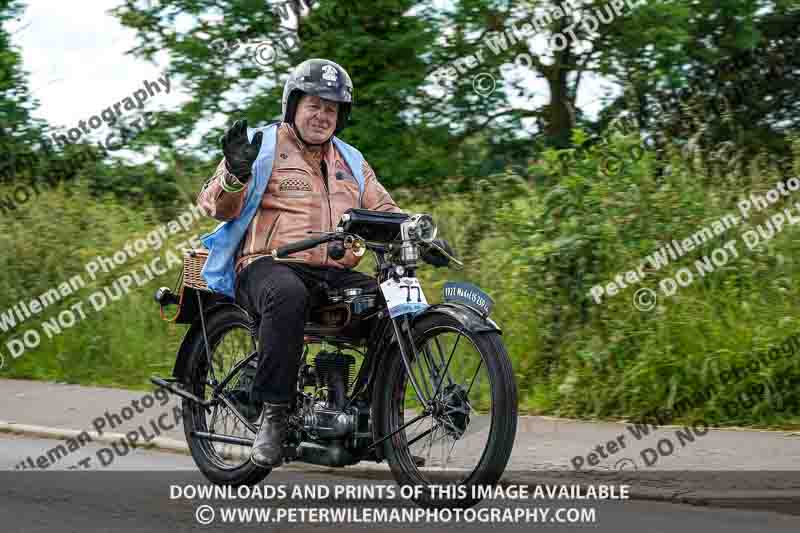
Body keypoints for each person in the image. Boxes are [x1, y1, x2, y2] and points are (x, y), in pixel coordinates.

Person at [196, 59, 405, 468]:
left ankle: (375, 415)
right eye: (314, 105)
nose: (322, 115)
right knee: (287, 293)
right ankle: (273, 416)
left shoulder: (352, 160)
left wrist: (416, 230)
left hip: (332, 271)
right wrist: (235, 174)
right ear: (293, 105)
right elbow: (212, 206)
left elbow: (385, 209)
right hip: (267, 265)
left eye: (331, 109)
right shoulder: (261, 144)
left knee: (391, 301)